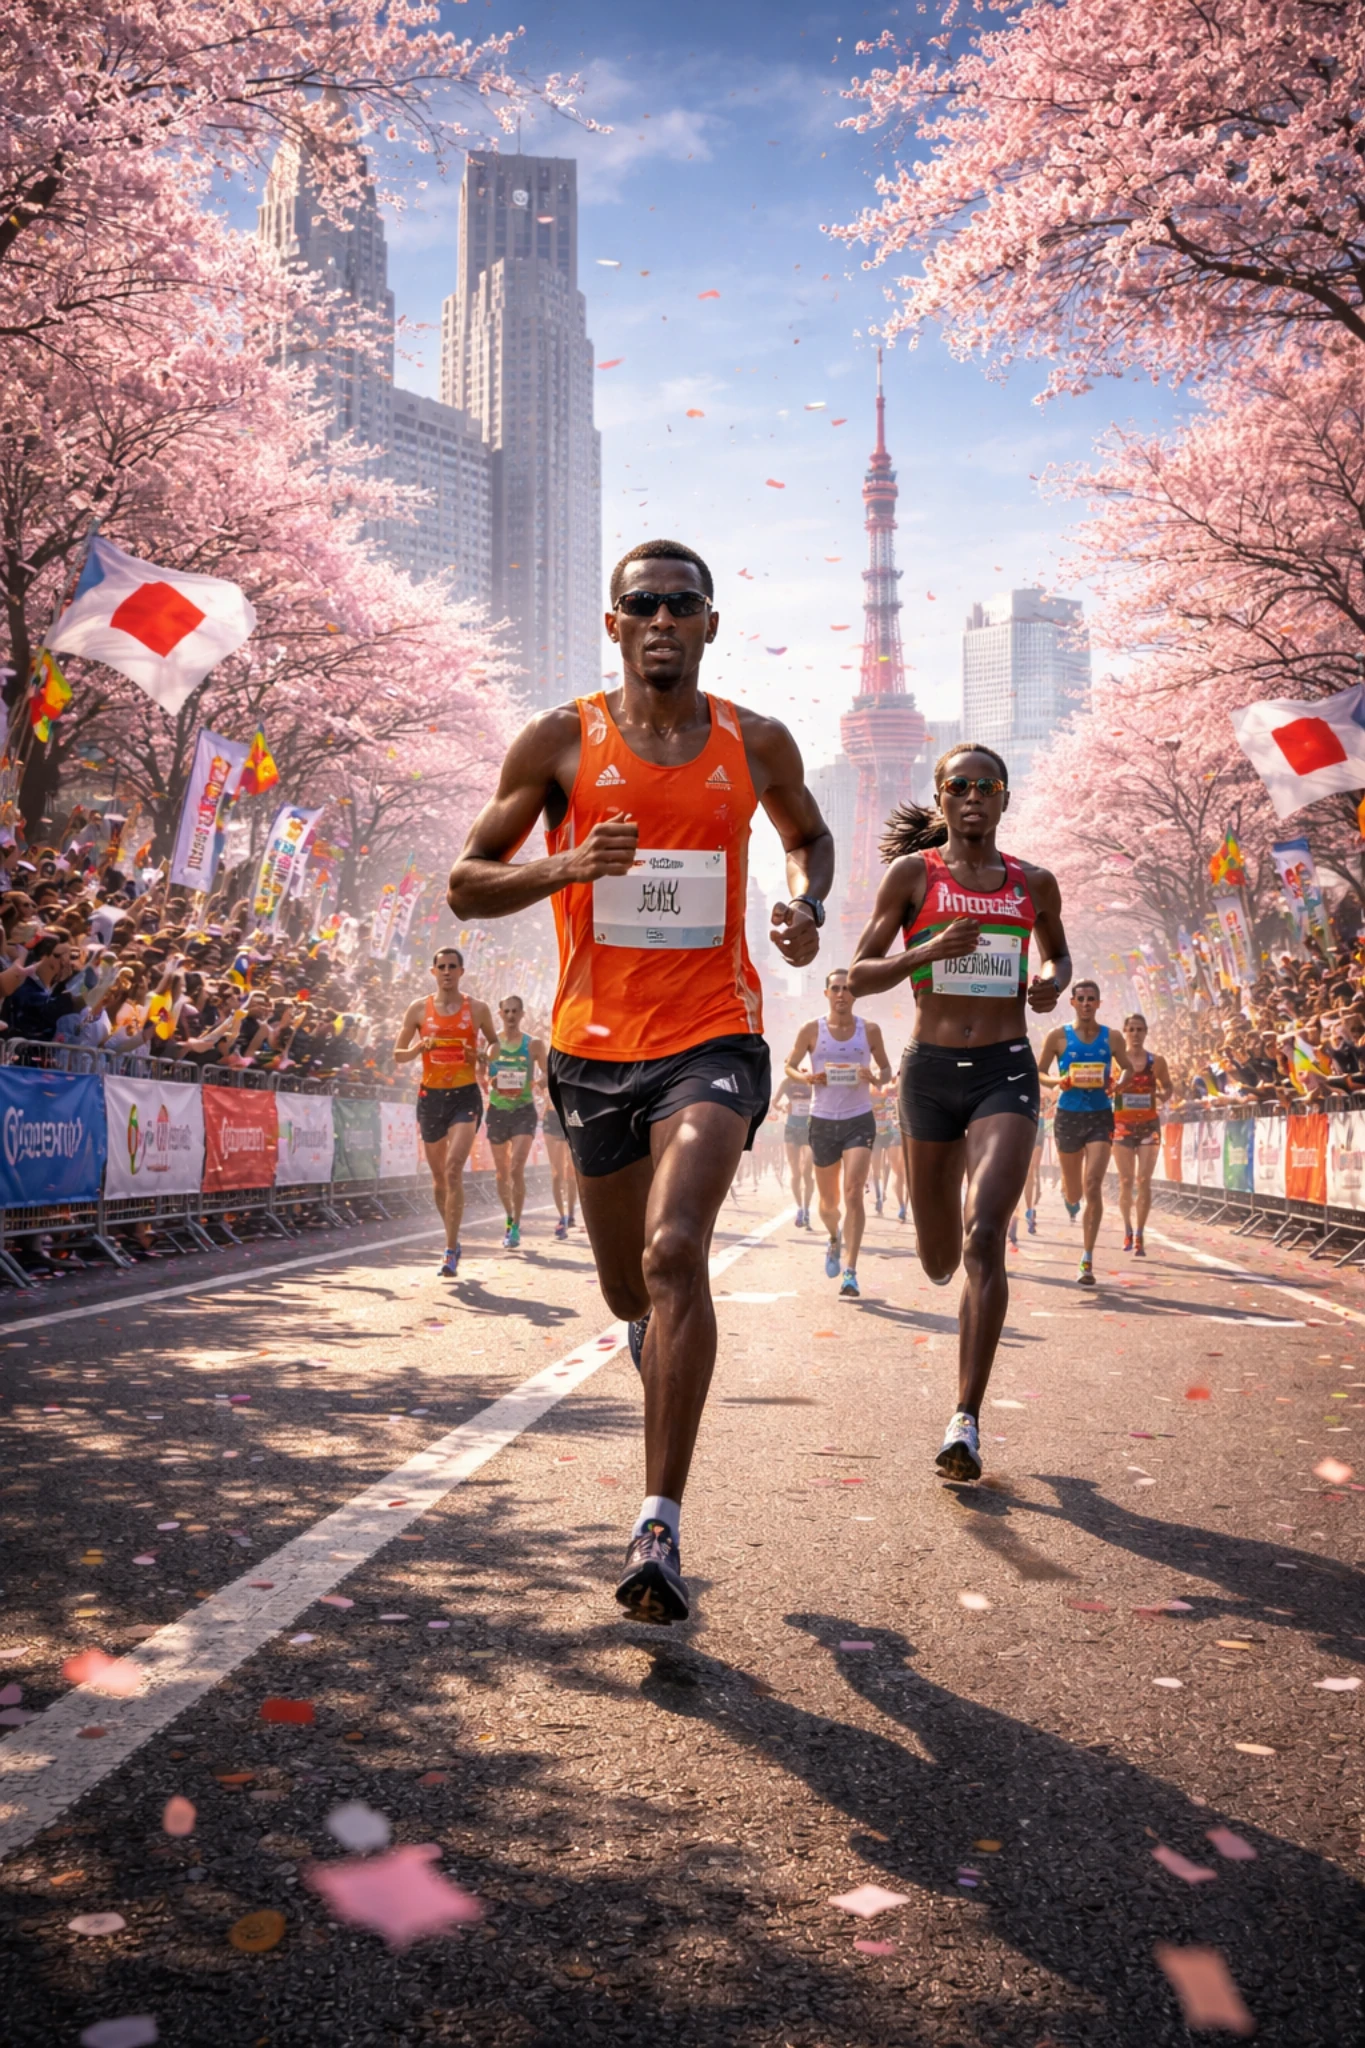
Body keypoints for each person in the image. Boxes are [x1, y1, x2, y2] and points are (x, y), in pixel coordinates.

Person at [446, 538, 832, 1622]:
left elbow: (809, 838)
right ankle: (645, 1330)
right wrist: (565, 865)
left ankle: (658, 1519)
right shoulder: (561, 741)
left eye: (683, 604)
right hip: (591, 1047)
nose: (663, 618)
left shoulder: (756, 742)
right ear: (614, 625)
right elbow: (466, 885)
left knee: (676, 1251)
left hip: (714, 1033)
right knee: (631, 1288)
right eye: (642, 604)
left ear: (711, 623)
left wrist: (803, 905)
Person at [849, 744, 1070, 1482]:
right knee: (938, 1255)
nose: (973, 796)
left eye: (987, 786)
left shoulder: (1033, 884)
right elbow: (857, 973)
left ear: (1005, 799)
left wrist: (1047, 982)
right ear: (940, 799)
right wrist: (927, 951)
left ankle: (964, 1420)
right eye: (958, 786)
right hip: (929, 1075)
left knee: (984, 1238)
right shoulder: (912, 876)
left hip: (1006, 1069)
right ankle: (941, 1256)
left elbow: (1057, 958)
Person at [786, 970, 891, 1297]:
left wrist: (873, 1076)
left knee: (854, 1191)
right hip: (822, 1121)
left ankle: (851, 1270)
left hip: (859, 1119)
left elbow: (886, 1070)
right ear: (826, 993)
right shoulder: (811, 1029)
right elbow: (789, 1065)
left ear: (854, 995)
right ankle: (834, 1238)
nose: (842, 994)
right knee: (829, 1204)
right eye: (836, 988)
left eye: (847, 989)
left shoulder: (869, 1030)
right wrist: (807, 1079)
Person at [393, 947, 497, 1278]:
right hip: (430, 1097)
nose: (447, 971)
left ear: (462, 972)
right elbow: (398, 1055)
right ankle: (452, 1232)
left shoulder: (477, 1009)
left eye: (453, 966)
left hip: (465, 1095)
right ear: (434, 972)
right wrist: (417, 1047)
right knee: (439, 1178)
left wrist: (480, 1054)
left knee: (454, 1169)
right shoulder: (417, 1009)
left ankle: (450, 1249)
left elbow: (494, 1045)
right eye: (442, 967)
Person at [1038, 981, 1133, 1286]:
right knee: (1075, 1190)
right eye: (1082, 999)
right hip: (1067, 1115)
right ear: (1073, 1002)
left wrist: (1118, 1086)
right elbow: (1038, 1071)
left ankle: (1087, 1258)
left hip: (1099, 1115)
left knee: (1093, 1184)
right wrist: (1058, 1082)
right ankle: (1069, 1198)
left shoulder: (1112, 1037)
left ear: (1099, 1003)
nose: (1087, 1003)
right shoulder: (1058, 1036)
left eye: (1092, 999)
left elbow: (1128, 1068)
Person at [486, 993, 548, 1249]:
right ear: (499, 1014)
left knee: (516, 1169)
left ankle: (516, 1225)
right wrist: (491, 1082)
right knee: (501, 1174)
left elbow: (547, 1072)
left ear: (522, 1015)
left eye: (515, 1011)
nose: (511, 1016)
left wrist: (540, 1082)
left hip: (523, 1110)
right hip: (498, 1111)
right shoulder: (492, 1046)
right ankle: (509, 1217)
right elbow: (484, 1075)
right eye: (506, 1011)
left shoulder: (534, 1044)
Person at [1113, 1012, 1172, 1256]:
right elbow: (1106, 1086)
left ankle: (1140, 1233)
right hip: (1121, 1126)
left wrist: (1162, 1096)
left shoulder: (1156, 1062)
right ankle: (1127, 1228)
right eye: (1131, 1029)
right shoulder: (1115, 1062)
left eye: (1140, 1029)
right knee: (1126, 1181)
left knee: (1144, 1181)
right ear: (1125, 1032)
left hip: (1148, 1125)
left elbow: (1168, 1086)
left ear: (1146, 1032)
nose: (1136, 1034)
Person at [770, 1072, 814, 1226]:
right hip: (791, 1127)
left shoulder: (811, 1079)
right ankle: (800, 1208)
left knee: (807, 1171)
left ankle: (807, 1207)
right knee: (795, 1173)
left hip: (809, 1128)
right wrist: (782, 1106)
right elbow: (774, 1102)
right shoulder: (787, 1081)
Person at [540, 1086, 577, 1239]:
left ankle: (571, 1213)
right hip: (551, 1118)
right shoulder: (544, 1067)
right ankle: (562, 1217)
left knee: (571, 1173)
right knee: (557, 1174)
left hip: (571, 1117)